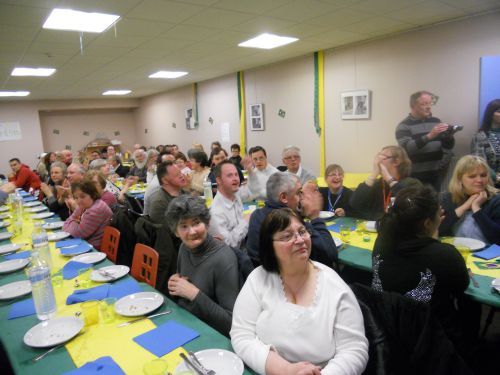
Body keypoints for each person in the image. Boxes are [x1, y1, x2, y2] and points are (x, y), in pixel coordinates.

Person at [231, 208, 368, 375]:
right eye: (287, 236)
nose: (300, 240)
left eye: (302, 231)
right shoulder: (259, 278)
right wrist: (285, 369)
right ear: (270, 246)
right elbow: (241, 334)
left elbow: (354, 350)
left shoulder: (334, 286)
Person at [372, 185, 470, 354]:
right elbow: (461, 285)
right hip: (430, 339)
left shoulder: (381, 242)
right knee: (470, 306)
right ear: (427, 223)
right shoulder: (445, 255)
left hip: (386, 330)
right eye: (438, 215)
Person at [167, 195, 239, 336]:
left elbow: (231, 324)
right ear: (176, 232)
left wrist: (194, 294)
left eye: (196, 223)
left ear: (207, 223)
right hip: (188, 325)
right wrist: (176, 285)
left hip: (213, 336)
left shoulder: (224, 259)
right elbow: (184, 295)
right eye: (184, 226)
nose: (192, 231)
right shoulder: (184, 248)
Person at [247, 172, 337, 269]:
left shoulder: (256, 215)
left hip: (261, 275)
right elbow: (331, 253)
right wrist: (315, 216)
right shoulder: (292, 224)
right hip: (286, 279)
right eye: (298, 193)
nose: (301, 198)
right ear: (284, 197)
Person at [396, 91, 456, 191]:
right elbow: (407, 148)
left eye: (430, 103)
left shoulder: (436, 121)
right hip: (414, 177)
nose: (428, 107)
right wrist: (429, 136)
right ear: (413, 106)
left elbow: (448, 147)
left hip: (436, 175)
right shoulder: (403, 126)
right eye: (424, 104)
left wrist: (449, 137)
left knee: (435, 204)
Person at [439, 155, 500, 245]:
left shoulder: (496, 200)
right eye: (472, 176)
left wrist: (476, 209)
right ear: (460, 179)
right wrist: (464, 207)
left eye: (483, 175)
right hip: (454, 251)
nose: (479, 180)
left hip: (487, 255)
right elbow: (438, 231)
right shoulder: (448, 198)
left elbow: (497, 238)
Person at [350, 146, 421, 220]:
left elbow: (412, 206)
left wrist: (388, 178)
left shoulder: (412, 184)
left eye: (382, 157)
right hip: (376, 228)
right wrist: (373, 175)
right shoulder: (377, 184)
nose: (377, 161)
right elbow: (355, 204)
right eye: (377, 157)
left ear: (396, 162)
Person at [149, 161, 188, 293]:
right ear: (165, 180)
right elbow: (173, 235)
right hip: (174, 252)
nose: (182, 176)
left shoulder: (182, 193)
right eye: (177, 175)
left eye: (180, 172)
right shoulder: (159, 203)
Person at [63, 179, 113, 250]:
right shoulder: (85, 205)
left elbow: (78, 234)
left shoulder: (96, 209)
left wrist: (73, 222)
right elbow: (66, 223)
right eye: (76, 198)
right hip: (86, 244)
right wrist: (74, 223)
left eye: (83, 196)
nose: (79, 201)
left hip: (95, 249)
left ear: (92, 195)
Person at [209, 161, 249, 248]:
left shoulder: (235, 194)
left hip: (243, 247)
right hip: (232, 256)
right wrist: (246, 221)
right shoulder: (215, 212)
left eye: (236, 174)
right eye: (230, 175)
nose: (235, 178)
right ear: (219, 180)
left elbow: (252, 191)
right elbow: (227, 245)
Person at [471, 99, 500, 187]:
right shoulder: (480, 136)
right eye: (499, 111)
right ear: (490, 114)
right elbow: (479, 161)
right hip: (491, 183)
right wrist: (496, 177)